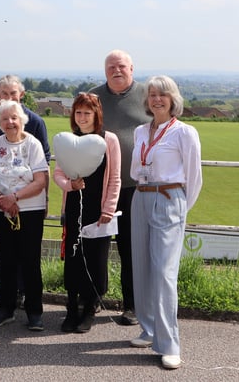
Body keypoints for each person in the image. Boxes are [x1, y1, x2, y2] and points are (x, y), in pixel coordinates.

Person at [129, 75, 202, 370]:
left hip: (168, 198)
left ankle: (170, 343)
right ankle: (148, 330)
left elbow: (194, 177)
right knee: (142, 267)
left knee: (163, 272)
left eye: (163, 95)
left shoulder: (184, 132)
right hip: (141, 197)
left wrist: (180, 207)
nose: (157, 99)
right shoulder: (140, 131)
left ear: (173, 99)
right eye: (152, 95)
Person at [53, 93, 121, 333]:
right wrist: (69, 185)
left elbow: (114, 178)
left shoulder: (109, 140)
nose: (82, 118)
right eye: (78, 112)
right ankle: (71, 308)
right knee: (73, 258)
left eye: (87, 113)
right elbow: (58, 173)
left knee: (96, 259)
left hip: (98, 208)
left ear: (96, 114)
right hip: (74, 206)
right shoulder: (69, 140)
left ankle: (89, 309)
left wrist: (109, 208)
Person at [90, 50, 149, 326]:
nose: (116, 70)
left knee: (130, 247)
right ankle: (93, 298)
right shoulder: (93, 96)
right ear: (105, 72)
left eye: (121, 66)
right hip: (99, 185)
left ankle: (133, 305)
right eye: (111, 67)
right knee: (95, 245)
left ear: (132, 69)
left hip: (135, 187)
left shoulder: (149, 94)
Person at [0, 100, 49, 331]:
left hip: (29, 210)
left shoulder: (33, 144)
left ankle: (34, 312)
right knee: (6, 261)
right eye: (5, 119)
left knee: (30, 261)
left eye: (14, 118)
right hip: (0, 210)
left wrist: (15, 198)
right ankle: (6, 309)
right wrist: (1, 198)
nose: (10, 122)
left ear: (22, 120)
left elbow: (41, 181)